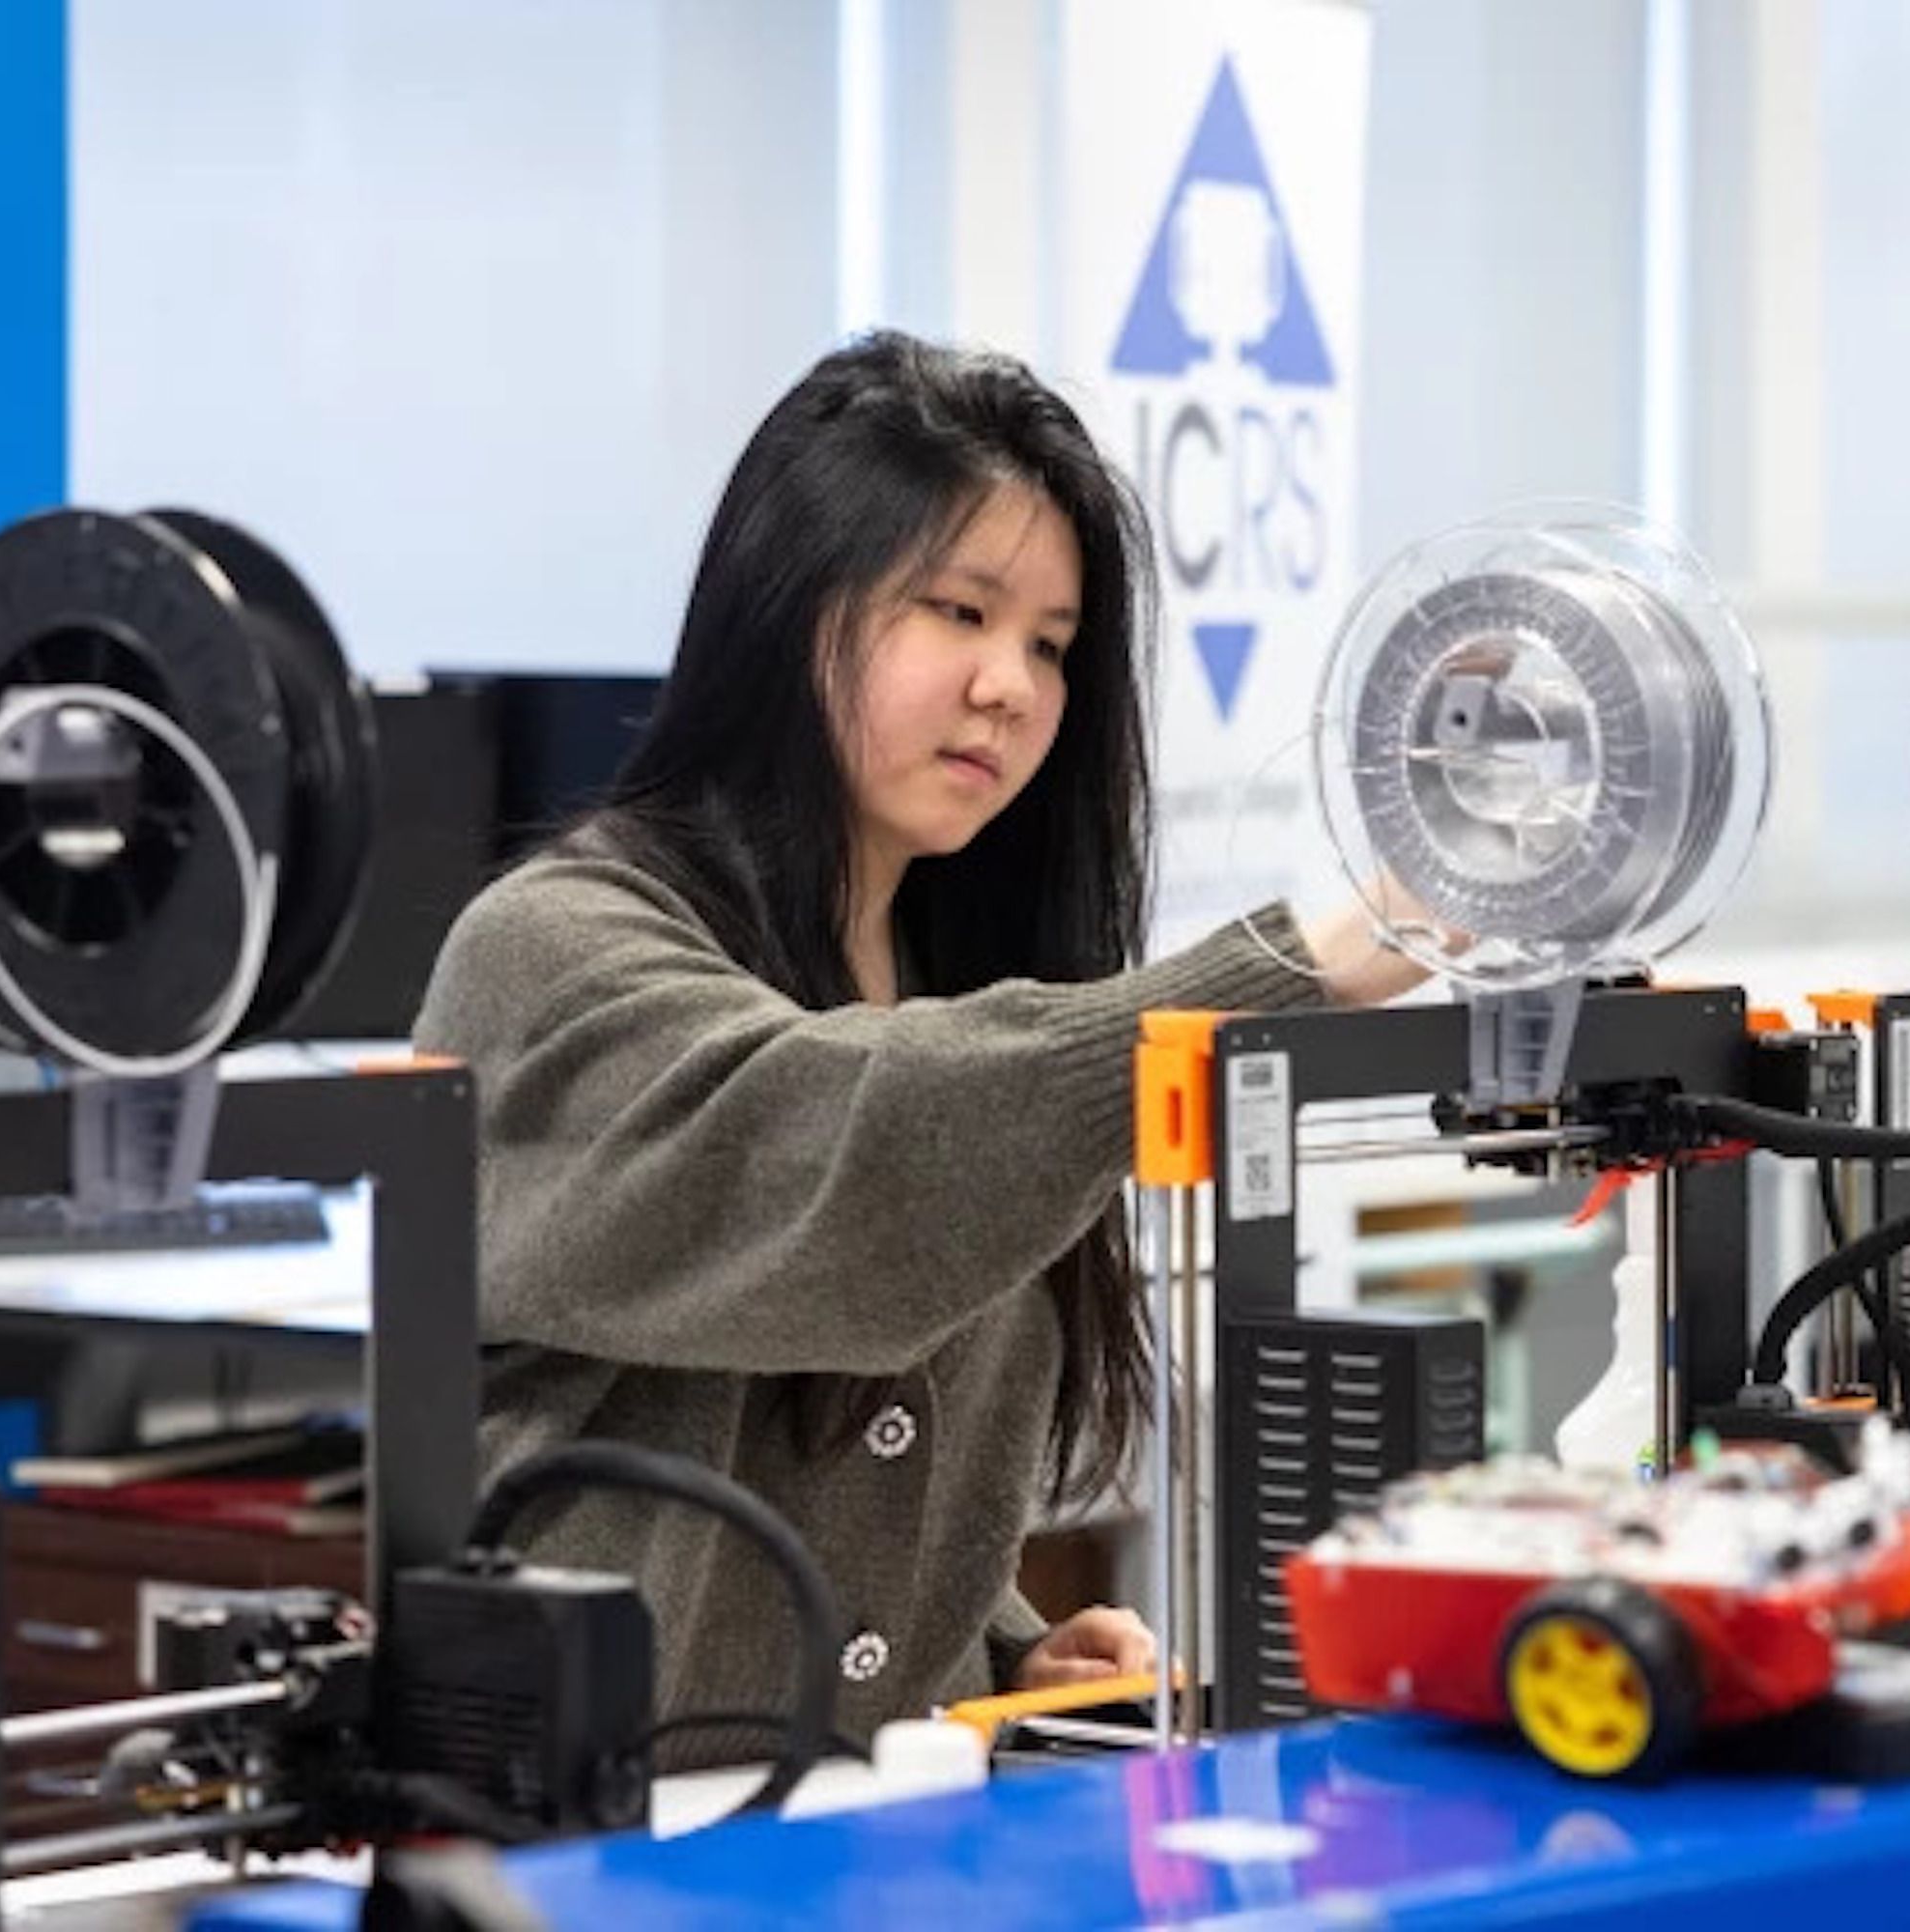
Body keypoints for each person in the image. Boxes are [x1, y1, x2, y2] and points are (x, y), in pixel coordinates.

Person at [413, 330, 1424, 1750]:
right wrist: (1283, 971)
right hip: (588, 1854)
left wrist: (994, 1643)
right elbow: (853, 1169)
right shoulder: (552, 953)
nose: (1012, 685)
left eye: (1052, 647)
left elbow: (833, 1455)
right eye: (961, 611)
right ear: (790, 606)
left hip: (862, 1844)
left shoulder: (960, 980)